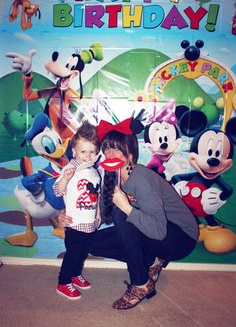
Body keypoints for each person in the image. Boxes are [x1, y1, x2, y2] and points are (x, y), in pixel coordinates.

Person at [58, 117, 199, 309]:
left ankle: (140, 282)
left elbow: (159, 231)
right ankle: (151, 260)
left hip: (179, 237)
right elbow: (96, 211)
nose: (110, 152)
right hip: (151, 232)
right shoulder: (109, 176)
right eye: (106, 147)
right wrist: (65, 211)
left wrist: (126, 207)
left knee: (121, 215)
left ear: (130, 154)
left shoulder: (141, 178)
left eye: (117, 147)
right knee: (91, 241)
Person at [54, 120, 101, 300]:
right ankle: (63, 282)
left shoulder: (93, 172)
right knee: (73, 254)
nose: (88, 156)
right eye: (83, 151)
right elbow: (57, 191)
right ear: (74, 151)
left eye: (91, 152)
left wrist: (98, 214)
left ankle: (74, 274)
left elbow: (95, 196)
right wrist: (65, 179)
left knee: (81, 253)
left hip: (89, 223)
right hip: (74, 224)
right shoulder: (70, 169)